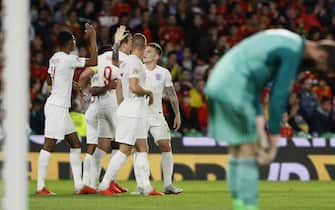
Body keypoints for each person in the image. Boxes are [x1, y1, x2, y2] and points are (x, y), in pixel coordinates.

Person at [205, 29, 335, 210]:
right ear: (321, 55)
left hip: (220, 80)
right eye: (320, 68)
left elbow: (253, 75)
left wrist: (259, 119)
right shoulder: (293, 51)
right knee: (248, 151)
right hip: (236, 85)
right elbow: (279, 95)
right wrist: (274, 138)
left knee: (237, 149)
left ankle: (239, 204)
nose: (314, 70)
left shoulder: (286, 38)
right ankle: (248, 206)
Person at [36, 23, 98, 195]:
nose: (74, 44)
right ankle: (40, 187)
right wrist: (92, 37)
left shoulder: (54, 58)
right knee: (49, 144)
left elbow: (49, 80)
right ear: (67, 43)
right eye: (73, 41)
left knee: (76, 143)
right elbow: (94, 61)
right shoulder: (68, 58)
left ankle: (79, 185)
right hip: (57, 107)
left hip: (59, 106)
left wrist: (68, 81)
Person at [97, 33, 161, 196]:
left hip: (132, 109)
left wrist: (117, 43)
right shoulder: (135, 63)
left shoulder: (126, 62)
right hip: (133, 110)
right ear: (145, 46)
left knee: (142, 147)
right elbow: (134, 87)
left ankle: (146, 187)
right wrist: (149, 92)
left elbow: (116, 68)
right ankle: (104, 184)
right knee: (125, 149)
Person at [132, 43, 183, 195]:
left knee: (165, 145)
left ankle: (168, 184)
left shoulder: (164, 73)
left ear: (157, 56)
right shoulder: (136, 69)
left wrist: (177, 114)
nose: (145, 53)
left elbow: (172, 94)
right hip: (138, 114)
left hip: (156, 114)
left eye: (149, 52)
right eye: (144, 51)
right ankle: (141, 185)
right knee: (139, 148)